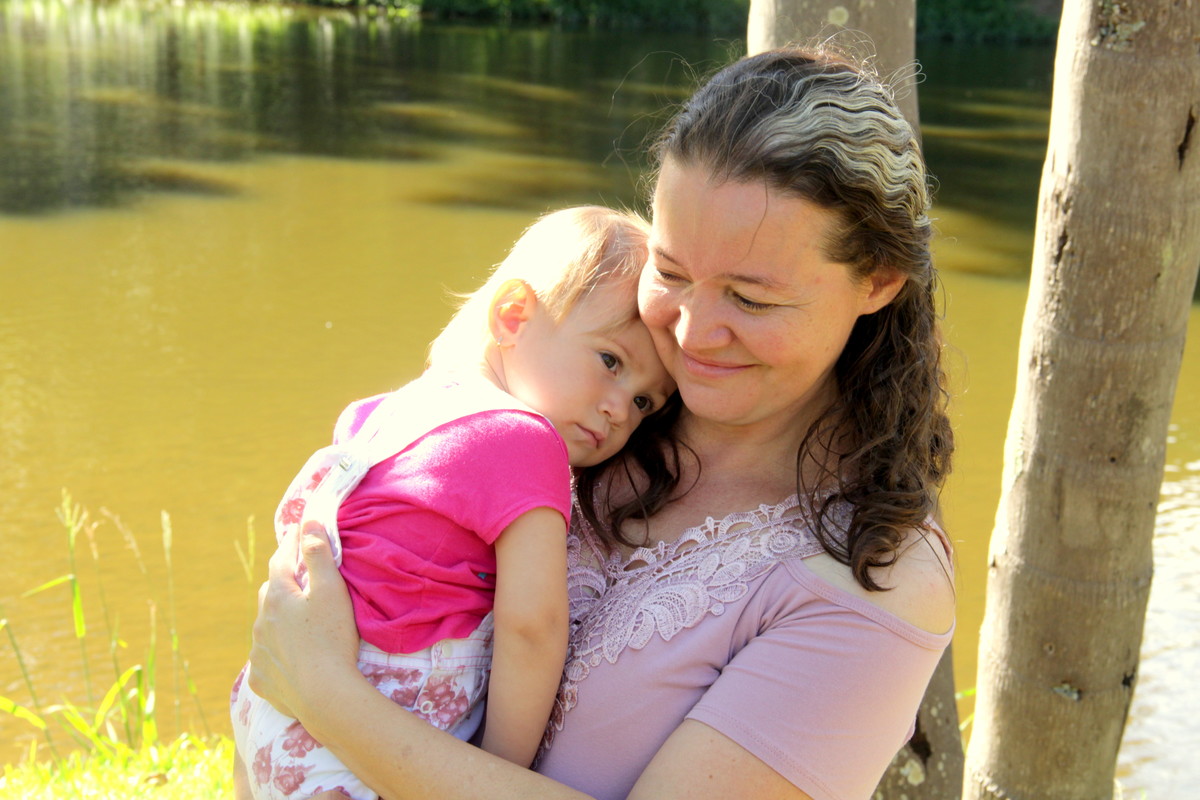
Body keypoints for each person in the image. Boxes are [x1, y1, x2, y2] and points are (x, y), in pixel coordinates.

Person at [244, 44, 956, 800]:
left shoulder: (874, 581)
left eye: (750, 299)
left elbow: (306, 666)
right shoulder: (591, 415)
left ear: (877, 281)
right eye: (673, 273)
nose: (690, 331)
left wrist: (322, 692)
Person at [231, 205, 677, 800]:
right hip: (373, 726)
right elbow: (532, 628)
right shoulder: (527, 442)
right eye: (610, 362)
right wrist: (497, 770)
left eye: (645, 402)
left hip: (271, 717)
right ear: (513, 315)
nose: (621, 409)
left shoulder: (382, 412)